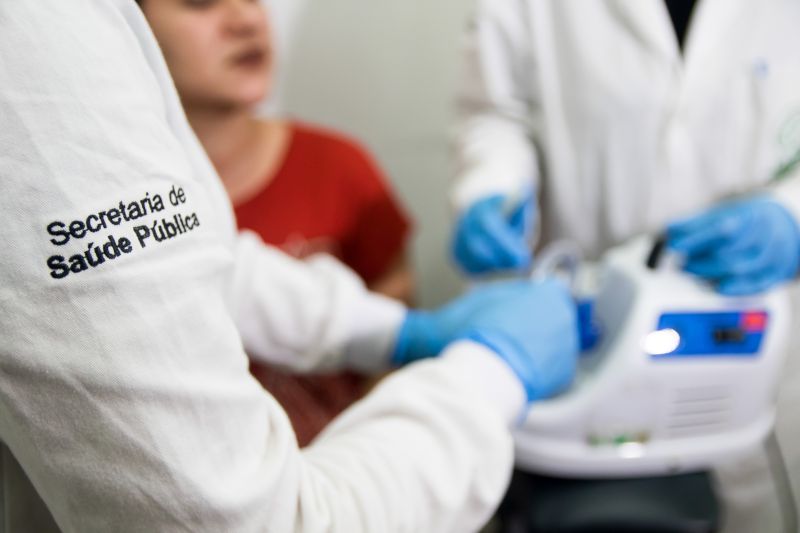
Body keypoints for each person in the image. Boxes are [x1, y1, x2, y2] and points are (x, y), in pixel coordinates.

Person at [0, 1, 580, 531]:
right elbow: (240, 521)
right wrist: (490, 373)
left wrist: (391, 330)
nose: (246, 18)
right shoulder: (36, 37)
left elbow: (203, 260)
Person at [450, 0, 800, 530]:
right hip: (592, 333)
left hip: (752, 335)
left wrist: (794, 216)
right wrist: (492, 186)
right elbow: (496, 111)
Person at [137, 0, 413, 447]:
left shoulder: (340, 168)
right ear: (128, 26)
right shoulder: (128, 213)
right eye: (201, 3)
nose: (246, 19)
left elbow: (395, 308)